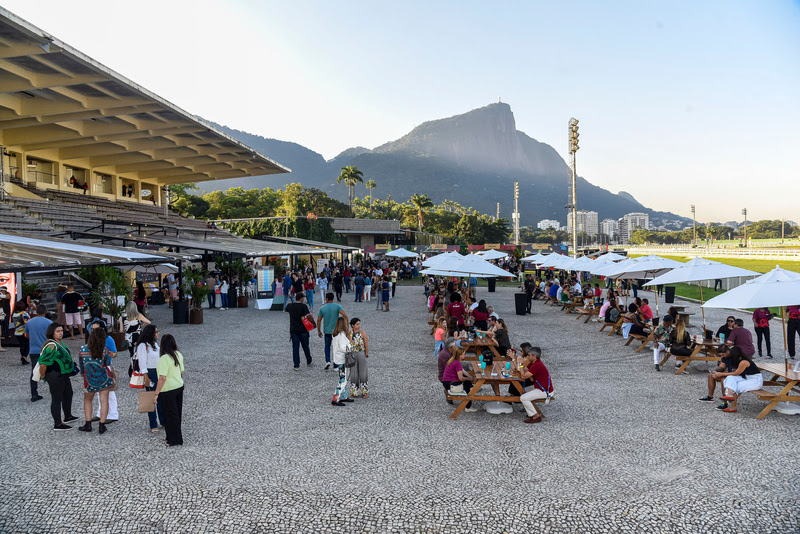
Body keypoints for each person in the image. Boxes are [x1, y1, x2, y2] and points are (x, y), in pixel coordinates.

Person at [37, 323, 78, 430]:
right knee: (56, 398)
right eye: (58, 331)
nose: (61, 333)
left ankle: (68, 416)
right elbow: (43, 363)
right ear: (52, 333)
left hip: (63, 374)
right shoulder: (51, 345)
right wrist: (42, 375)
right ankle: (58, 423)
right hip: (55, 375)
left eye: (61, 331)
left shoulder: (58, 342)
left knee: (68, 393)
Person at [77, 328, 114, 434]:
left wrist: (83, 374)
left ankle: (88, 424)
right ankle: (102, 425)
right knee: (104, 401)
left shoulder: (83, 349)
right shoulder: (104, 350)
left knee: (88, 400)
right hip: (103, 378)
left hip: (89, 379)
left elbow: (81, 364)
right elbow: (107, 363)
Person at [153, 334, 185, 447]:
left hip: (168, 390)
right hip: (179, 386)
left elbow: (162, 378)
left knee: (170, 414)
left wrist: (156, 393)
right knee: (176, 413)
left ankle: (175, 439)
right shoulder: (178, 355)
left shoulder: (164, 359)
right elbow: (181, 372)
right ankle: (171, 435)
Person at [510, 344, 553, 424]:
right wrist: (520, 364)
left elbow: (523, 376)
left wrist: (521, 364)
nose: (527, 356)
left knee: (523, 398)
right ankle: (530, 409)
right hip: (540, 387)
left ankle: (535, 416)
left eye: (529, 355)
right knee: (522, 390)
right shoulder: (534, 362)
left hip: (544, 391)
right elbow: (526, 370)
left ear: (534, 356)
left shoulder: (537, 365)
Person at [716, 347, 764, 413]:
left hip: (755, 380)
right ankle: (729, 395)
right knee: (730, 378)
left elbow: (736, 373)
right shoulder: (739, 360)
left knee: (736, 386)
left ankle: (733, 407)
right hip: (746, 378)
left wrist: (721, 374)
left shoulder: (744, 362)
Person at [136, 324, 163, 433]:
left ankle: (163, 420)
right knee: (151, 399)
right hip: (150, 372)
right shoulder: (143, 346)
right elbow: (142, 362)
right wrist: (145, 376)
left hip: (158, 371)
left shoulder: (154, 344)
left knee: (160, 397)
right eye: (156, 332)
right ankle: (153, 424)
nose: (158, 334)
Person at [25, 305, 51, 403]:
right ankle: (54, 391)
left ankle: (34, 394)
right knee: (50, 370)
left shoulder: (30, 322)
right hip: (46, 350)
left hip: (34, 350)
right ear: (46, 311)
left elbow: (26, 335)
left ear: (36, 311)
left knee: (34, 372)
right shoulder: (49, 323)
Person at [317, 292, 348, 370]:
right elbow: (345, 316)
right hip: (336, 331)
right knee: (336, 347)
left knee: (327, 346)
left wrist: (319, 330)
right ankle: (335, 365)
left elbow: (319, 320)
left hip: (327, 330)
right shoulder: (337, 307)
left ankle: (327, 361)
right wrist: (346, 326)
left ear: (326, 299)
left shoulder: (322, 308)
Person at [441, 346, 477, 412]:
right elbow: (461, 378)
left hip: (446, 381)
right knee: (466, 384)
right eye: (464, 354)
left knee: (467, 380)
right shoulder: (457, 363)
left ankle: (474, 387)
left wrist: (471, 377)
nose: (465, 355)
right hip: (450, 383)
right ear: (460, 355)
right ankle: (468, 407)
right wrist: (470, 379)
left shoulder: (453, 359)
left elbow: (463, 371)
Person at [698, 344, 734, 409]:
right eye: (721, 355)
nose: (722, 357)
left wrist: (721, 373)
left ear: (727, 352)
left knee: (724, 380)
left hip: (735, 375)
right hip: (728, 373)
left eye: (723, 355)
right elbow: (722, 367)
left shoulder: (734, 356)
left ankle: (725, 402)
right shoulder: (724, 357)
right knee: (711, 375)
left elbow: (734, 372)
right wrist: (715, 371)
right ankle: (710, 397)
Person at [285, 291, 314, 371]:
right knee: (305, 346)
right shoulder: (303, 306)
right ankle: (308, 360)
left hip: (293, 329)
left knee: (295, 348)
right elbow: (309, 316)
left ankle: (296, 365)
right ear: (301, 299)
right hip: (303, 329)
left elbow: (285, 309)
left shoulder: (290, 305)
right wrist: (313, 324)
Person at [330, 317, 354, 406]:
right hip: (342, 359)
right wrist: (351, 347)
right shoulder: (341, 335)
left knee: (342, 377)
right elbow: (343, 347)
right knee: (343, 380)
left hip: (338, 358)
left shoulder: (335, 334)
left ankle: (343, 396)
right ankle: (335, 399)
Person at [348, 318, 369, 398]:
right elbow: (350, 343)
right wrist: (351, 334)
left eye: (359, 324)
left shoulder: (362, 333)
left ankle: (365, 391)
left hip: (361, 353)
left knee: (363, 373)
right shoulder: (349, 334)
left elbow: (366, 343)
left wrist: (366, 353)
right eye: (357, 324)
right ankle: (354, 391)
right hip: (353, 354)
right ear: (352, 325)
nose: (359, 326)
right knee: (354, 373)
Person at [12, 301, 30, 365]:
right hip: (23, 332)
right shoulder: (24, 313)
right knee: (28, 344)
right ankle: (24, 357)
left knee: (22, 345)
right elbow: (28, 322)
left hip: (17, 332)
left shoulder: (14, 314)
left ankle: (23, 357)